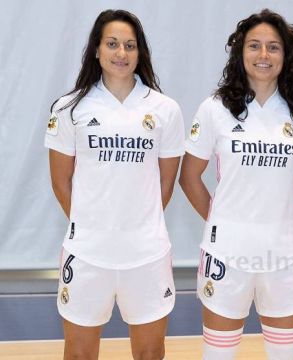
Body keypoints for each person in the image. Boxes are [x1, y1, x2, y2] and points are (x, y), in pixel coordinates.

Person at [179, 9, 293, 360]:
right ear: (240, 52)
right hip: (227, 253)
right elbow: (189, 176)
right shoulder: (215, 108)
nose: (263, 55)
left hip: (283, 253)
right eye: (254, 46)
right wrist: (221, 217)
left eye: (273, 47)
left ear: (286, 56)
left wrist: (277, 214)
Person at [45, 9, 184, 360]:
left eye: (129, 45)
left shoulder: (165, 109)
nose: (121, 53)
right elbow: (61, 182)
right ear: (96, 49)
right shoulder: (68, 108)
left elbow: (165, 185)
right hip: (88, 253)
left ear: (140, 53)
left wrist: (135, 225)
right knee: (78, 354)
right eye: (112, 44)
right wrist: (93, 225)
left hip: (146, 254)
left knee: (151, 353)